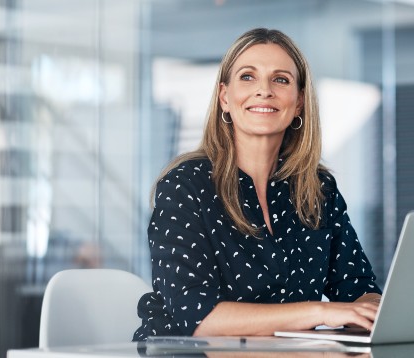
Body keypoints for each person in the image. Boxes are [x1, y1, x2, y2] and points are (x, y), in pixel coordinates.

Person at [133, 28, 382, 341]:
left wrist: (371, 309)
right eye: (248, 77)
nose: (264, 90)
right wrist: (319, 312)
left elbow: (361, 290)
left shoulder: (318, 190)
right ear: (225, 97)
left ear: (300, 102)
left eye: (280, 79)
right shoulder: (185, 185)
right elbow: (198, 317)